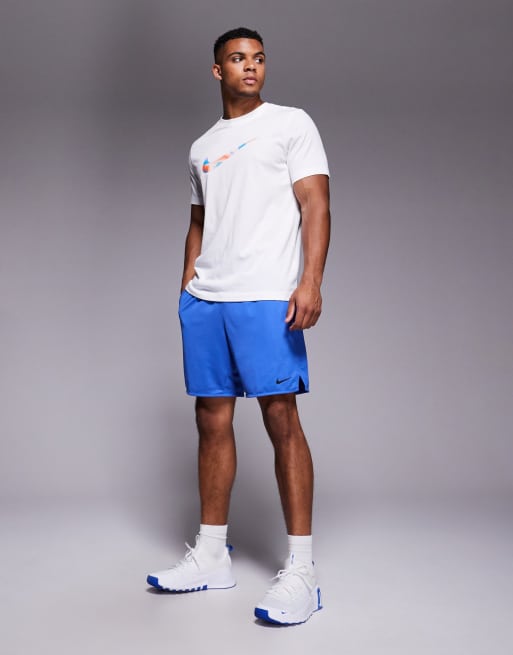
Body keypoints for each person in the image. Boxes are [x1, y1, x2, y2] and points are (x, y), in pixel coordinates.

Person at [147, 26, 330, 626]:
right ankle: (210, 554)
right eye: (237, 59)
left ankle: (301, 570)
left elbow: (316, 204)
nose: (250, 67)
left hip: (267, 296)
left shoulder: (291, 124)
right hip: (208, 299)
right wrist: (186, 289)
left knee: (281, 417)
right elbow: (199, 221)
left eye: (258, 58)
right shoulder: (201, 147)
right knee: (211, 419)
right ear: (217, 71)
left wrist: (310, 281)